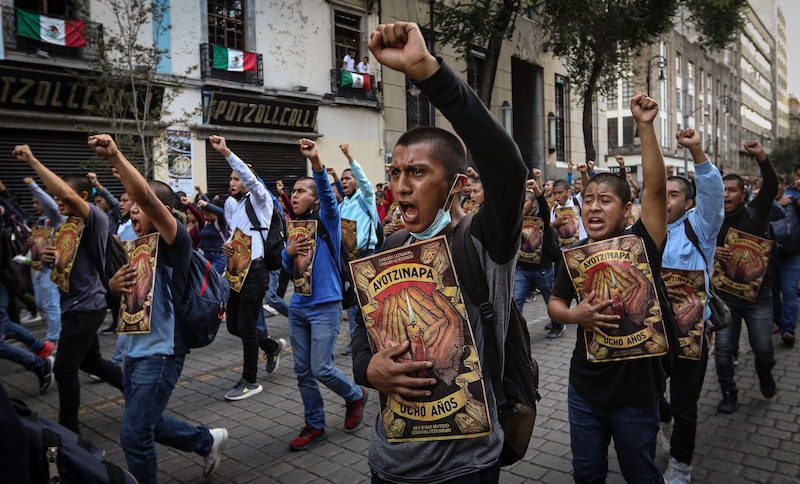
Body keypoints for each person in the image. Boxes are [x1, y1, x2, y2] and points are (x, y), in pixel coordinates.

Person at [351, 21, 527, 482]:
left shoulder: (481, 244)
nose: (401, 187)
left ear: (458, 185)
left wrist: (429, 73)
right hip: (388, 463)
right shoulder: (388, 246)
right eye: (394, 173)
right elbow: (361, 333)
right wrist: (368, 371)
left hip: (464, 468)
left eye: (418, 173)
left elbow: (508, 168)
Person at [88, 134, 228, 483]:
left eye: (137, 206)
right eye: (130, 206)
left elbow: (148, 198)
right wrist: (113, 286)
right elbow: (127, 300)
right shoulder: (135, 247)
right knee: (148, 420)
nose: (132, 209)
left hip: (162, 353)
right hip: (133, 351)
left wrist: (116, 157)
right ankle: (206, 440)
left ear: (160, 213)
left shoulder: (175, 244)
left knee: (135, 435)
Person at [547, 91, 668, 483]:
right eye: (588, 200)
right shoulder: (577, 253)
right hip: (585, 388)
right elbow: (553, 304)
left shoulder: (642, 242)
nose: (594, 208)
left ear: (627, 210)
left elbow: (656, 191)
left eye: (605, 201)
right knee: (586, 474)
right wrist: (574, 315)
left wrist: (645, 127)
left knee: (641, 474)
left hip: (636, 393)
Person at [12, 144, 123, 434]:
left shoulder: (95, 220)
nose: (57, 202)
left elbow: (68, 196)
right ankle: (133, 388)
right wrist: (51, 258)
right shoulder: (66, 226)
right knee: (92, 361)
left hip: (86, 307)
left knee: (63, 368)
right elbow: (69, 264)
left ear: (82, 198)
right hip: (75, 304)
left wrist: (34, 161)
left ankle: (69, 430)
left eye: (61, 197)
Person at [283, 138, 368, 451]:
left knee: (321, 368)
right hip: (299, 306)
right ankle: (314, 423)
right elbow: (289, 266)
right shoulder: (295, 227)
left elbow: (328, 196)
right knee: (302, 371)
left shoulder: (328, 219)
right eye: (293, 191)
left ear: (317, 199)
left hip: (326, 306)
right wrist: (286, 252)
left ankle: (354, 395)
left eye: (301, 191)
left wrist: (316, 161)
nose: (295, 195)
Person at [659, 129, 724, 483]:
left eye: (674, 195)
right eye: (661, 193)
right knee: (652, 395)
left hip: (692, 334)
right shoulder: (644, 232)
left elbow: (712, 195)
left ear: (688, 203)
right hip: (652, 335)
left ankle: (681, 466)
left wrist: (696, 150)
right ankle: (660, 416)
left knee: (685, 404)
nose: (666, 200)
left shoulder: (701, 228)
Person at [209, 135, 286, 401]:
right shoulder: (233, 205)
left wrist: (226, 152)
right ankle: (272, 346)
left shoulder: (261, 200)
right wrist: (227, 247)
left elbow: (251, 179)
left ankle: (249, 380)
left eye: (237, 178)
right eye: (230, 179)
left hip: (255, 270)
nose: (233, 182)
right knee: (233, 326)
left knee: (246, 325)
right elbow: (234, 235)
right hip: (235, 270)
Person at [713, 140, 779, 414]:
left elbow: (772, 185)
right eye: (722, 190)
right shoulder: (712, 220)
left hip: (758, 297)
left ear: (743, 193)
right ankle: (729, 393)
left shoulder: (757, 212)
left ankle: (765, 372)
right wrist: (710, 250)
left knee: (763, 347)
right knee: (723, 349)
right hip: (725, 296)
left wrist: (761, 157)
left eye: (732, 190)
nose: (726, 195)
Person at [337, 143, 380, 354]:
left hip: (367, 255)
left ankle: (377, 338)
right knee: (354, 302)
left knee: (369, 300)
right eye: (342, 179)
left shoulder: (366, 198)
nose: (344, 182)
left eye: (348, 178)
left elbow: (364, 181)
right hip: (349, 258)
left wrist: (349, 156)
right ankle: (357, 342)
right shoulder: (342, 205)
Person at [514, 169, 558, 333]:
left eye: (525, 201)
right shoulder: (517, 218)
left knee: (550, 300)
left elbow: (545, 208)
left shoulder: (542, 219)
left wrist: (538, 190)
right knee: (516, 301)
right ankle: (517, 333)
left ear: (533, 204)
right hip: (521, 269)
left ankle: (557, 325)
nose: (522, 204)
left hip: (543, 269)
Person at [24, 178, 63, 344]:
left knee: (51, 304)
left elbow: (53, 209)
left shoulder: (58, 218)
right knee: (42, 302)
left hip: (53, 268)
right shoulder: (41, 221)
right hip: (41, 267)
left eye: (37, 202)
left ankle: (54, 339)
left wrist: (33, 186)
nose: (35, 206)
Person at [88, 171, 122, 236]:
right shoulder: (98, 215)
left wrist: (96, 183)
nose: (97, 205)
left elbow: (110, 199)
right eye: (96, 203)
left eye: (99, 201)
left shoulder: (115, 211)